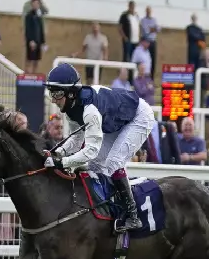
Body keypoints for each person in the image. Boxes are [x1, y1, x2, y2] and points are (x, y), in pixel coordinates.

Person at [43, 63, 154, 232]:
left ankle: (133, 216)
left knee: (113, 163)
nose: (53, 99)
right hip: (115, 121)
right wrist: (57, 153)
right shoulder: (72, 109)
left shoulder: (89, 111)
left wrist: (61, 163)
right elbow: (76, 140)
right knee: (96, 165)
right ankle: (108, 207)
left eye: (57, 93)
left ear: (71, 93)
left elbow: (90, 150)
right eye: (52, 93)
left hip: (138, 116)